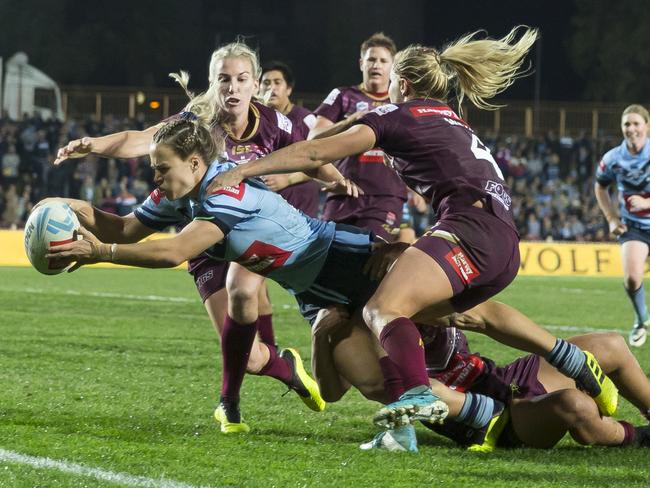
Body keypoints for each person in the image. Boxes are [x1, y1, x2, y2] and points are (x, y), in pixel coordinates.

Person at [205, 26, 619, 435]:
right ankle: (563, 363)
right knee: (454, 315)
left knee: (381, 310)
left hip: (465, 230)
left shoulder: (396, 114)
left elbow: (314, 149)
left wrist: (243, 170)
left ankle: (422, 394)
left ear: (401, 83)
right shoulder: (449, 117)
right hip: (500, 238)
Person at [53, 41, 356, 433]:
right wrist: (95, 146)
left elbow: (308, 156)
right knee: (248, 355)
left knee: (243, 288)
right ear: (212, 83)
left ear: (254, 84)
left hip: (249, 230)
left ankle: (235, 398)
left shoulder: (275, 123)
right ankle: (261, 382)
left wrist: (333, 178)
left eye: (241, 79)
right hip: (203, 237)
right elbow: (144, 139)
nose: (232, 87)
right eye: (223, 79)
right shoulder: (195, 122)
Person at [310, 306, 650, 451]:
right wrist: (318, 336)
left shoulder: (422, 300)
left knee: (611, 345)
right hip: (497, 420)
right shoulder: (367, 335)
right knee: (574, 406)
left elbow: (488, 313)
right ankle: (634, 437)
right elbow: (333, 391)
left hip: (507, 379)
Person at [308, 32, 409, 242]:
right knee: (331, 260)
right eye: (371, 59)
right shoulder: (342, 96)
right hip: (343, 191)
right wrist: (348, 122)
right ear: (361, 63)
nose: (376, 65)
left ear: (393, 67)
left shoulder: (402, 102)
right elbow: (314, 138)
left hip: (386, 195)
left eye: (383, 60)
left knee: (371, 258)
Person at [595, 104, 650, 347]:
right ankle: (642, 320)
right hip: (634, 226)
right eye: (627, 124)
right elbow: (600, 186)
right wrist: (612, 219)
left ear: (647, 126)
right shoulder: (613, 158)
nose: (632, 128)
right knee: (631, 278)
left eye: (637, 123)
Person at [258, 60, 320, 218]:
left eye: (277, 82)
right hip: (267, 207)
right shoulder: (256, 121)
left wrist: (288, 179)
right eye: (266, 83)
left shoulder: (306, 119)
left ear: (289, 89)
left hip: (300, 206)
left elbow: (323, 162)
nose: (271, 88)